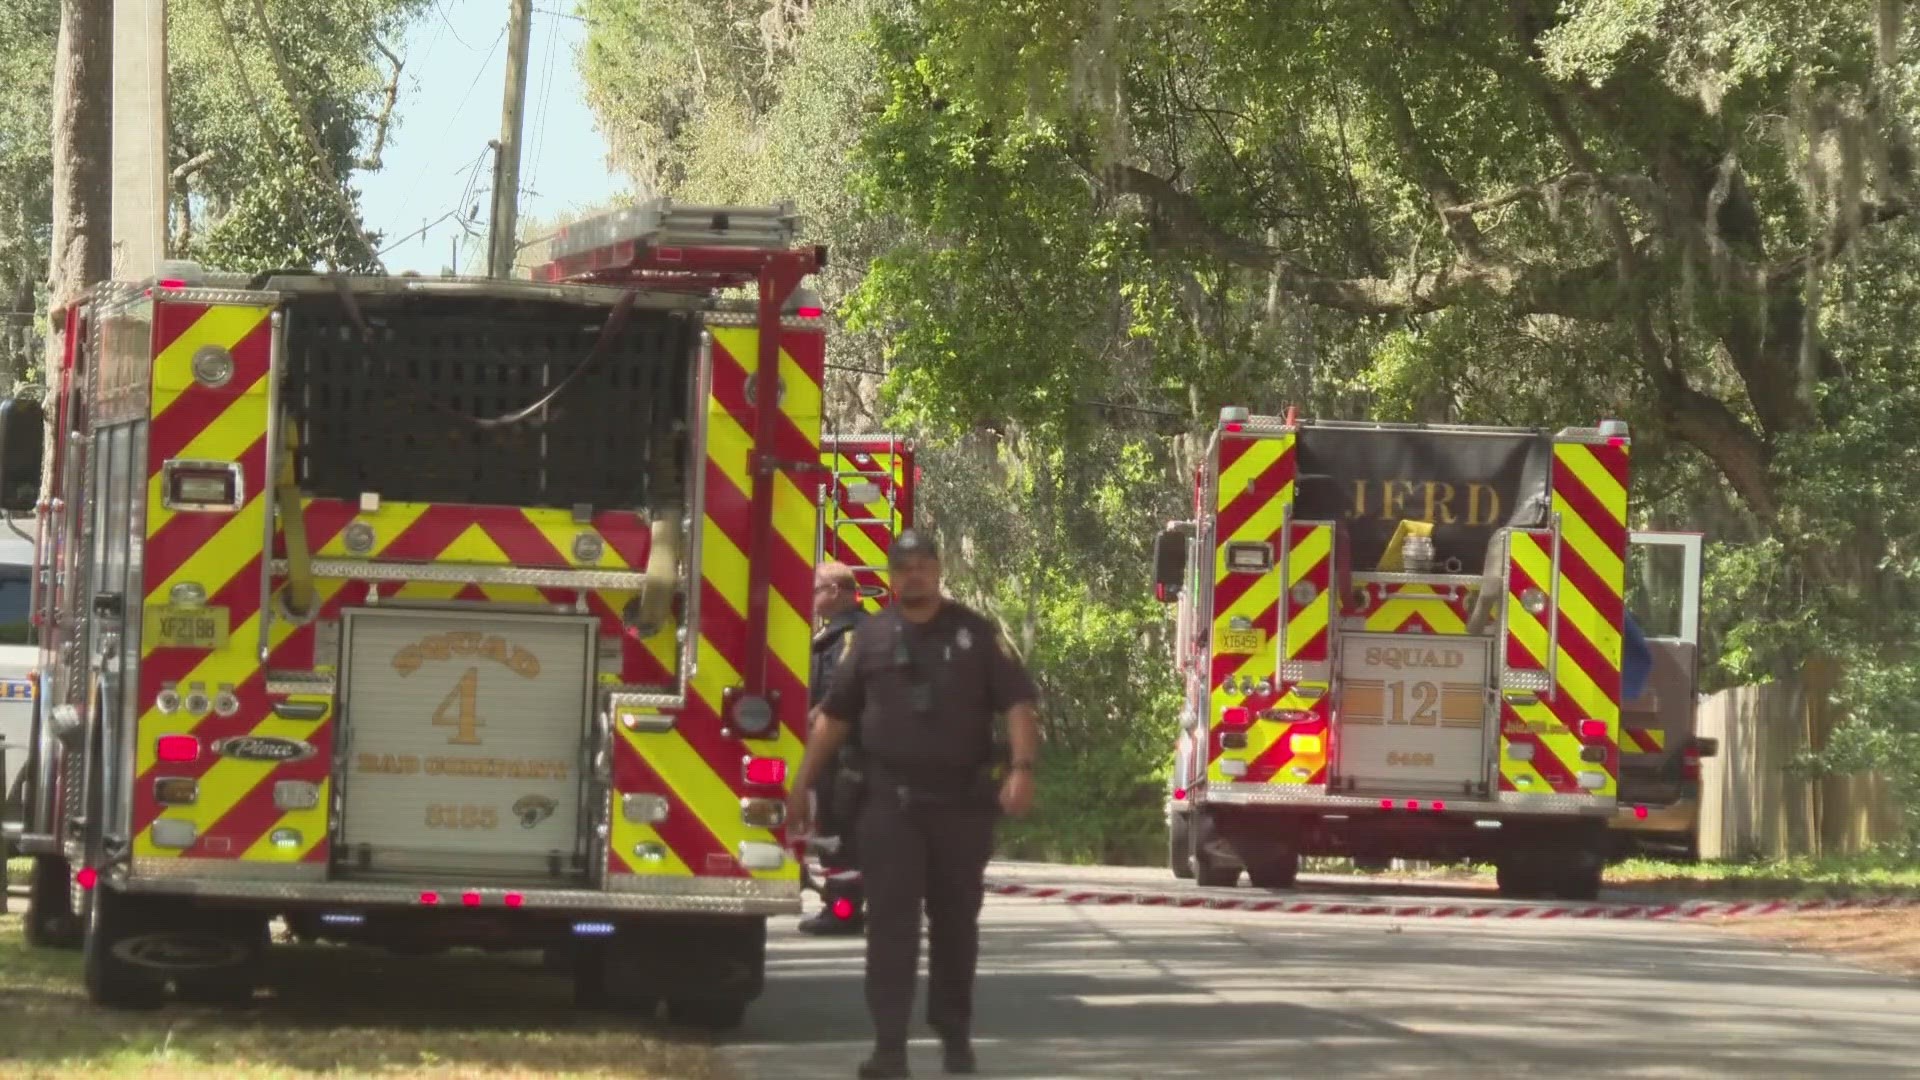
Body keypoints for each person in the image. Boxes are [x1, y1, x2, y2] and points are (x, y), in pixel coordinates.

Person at [787, 528, 1041, 1079]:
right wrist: (802, 786)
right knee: (891, 930)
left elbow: (1019, 704)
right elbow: (833, 718)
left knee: (955, 926)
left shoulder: (975, 633)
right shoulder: (871, 640)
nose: (915, 575)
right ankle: (889, 1048)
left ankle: (954, 1037)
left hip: (961, 805)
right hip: (889, 806)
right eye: (905, 568)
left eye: (925, 565)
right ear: (891, 575)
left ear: (939, 570)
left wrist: (1021, 771)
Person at [799, 560, 870, 935]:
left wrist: (809, 721)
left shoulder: (847, 638)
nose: (810, 598)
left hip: (844, 752)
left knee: (839, 833)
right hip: (856, 752)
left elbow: (837, 698)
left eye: (816, 589)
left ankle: (842, 912)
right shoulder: (854, 632)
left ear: (837, 592)